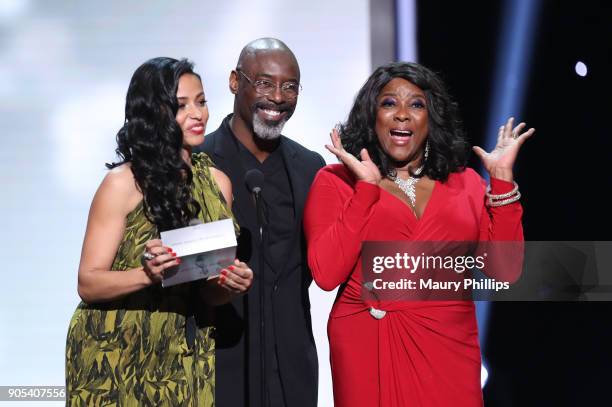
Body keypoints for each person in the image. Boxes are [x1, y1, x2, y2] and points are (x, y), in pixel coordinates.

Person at [303, 62, 534, 406]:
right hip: (369, 345)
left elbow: (505, 270)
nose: (402, 115)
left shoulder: (466, 184)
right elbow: (326, 273)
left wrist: (500, 179)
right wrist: (366, 190)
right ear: (371, 115)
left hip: (450, 349)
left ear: (431, 118)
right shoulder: (337, 182)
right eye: (388, 103)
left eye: (416, 104)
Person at [65, 57, 253, 406]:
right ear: (154, 113)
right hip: (115, 353)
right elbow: (88, 283)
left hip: (184, 353)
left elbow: (207, 291)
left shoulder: (218, 184)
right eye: (181, 106)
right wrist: (147, 275)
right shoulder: (123, 183)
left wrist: (230, 285)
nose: (198, 114)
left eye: (201, 101)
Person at [194, 38, 324, 407]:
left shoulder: (310, 168)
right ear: (235, 82)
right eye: (265, 83)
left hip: (290, 367)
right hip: (215, 361)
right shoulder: (198, 163)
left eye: (290, 86)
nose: (278, 97)